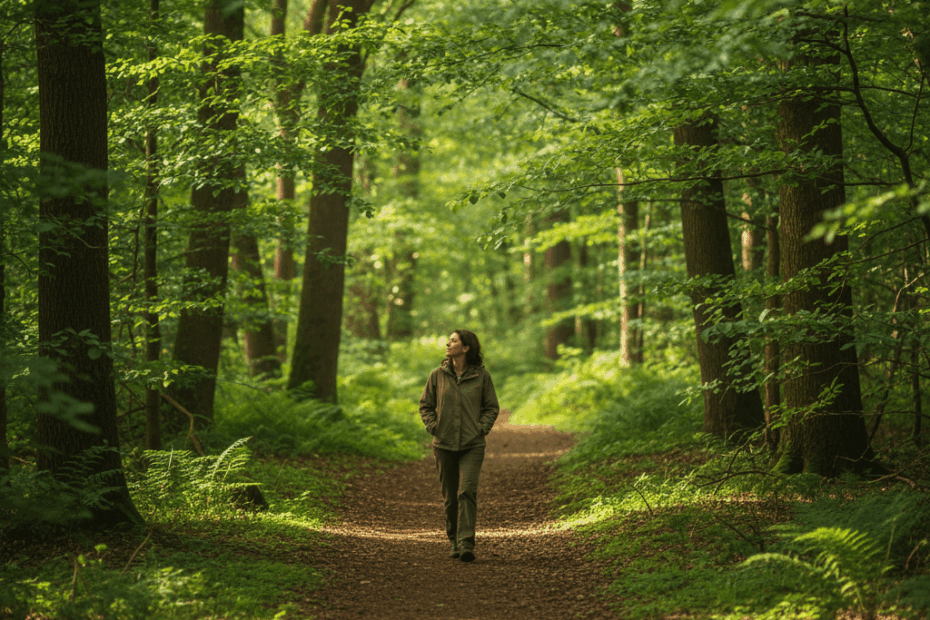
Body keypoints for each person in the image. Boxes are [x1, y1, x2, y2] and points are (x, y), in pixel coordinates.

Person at [419, 329, 500, 562]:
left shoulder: (482, 377)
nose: (448, 343)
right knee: (450, 497)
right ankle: (453, 540)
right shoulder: (437, 375)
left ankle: (466, 543)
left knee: (467, 491)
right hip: (443, 445)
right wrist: (433, 426)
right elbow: (425, 405)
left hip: (472, 445)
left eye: (454, 341)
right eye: (449, 340)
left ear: (466, 348)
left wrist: (481, 428)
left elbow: (491, 407)